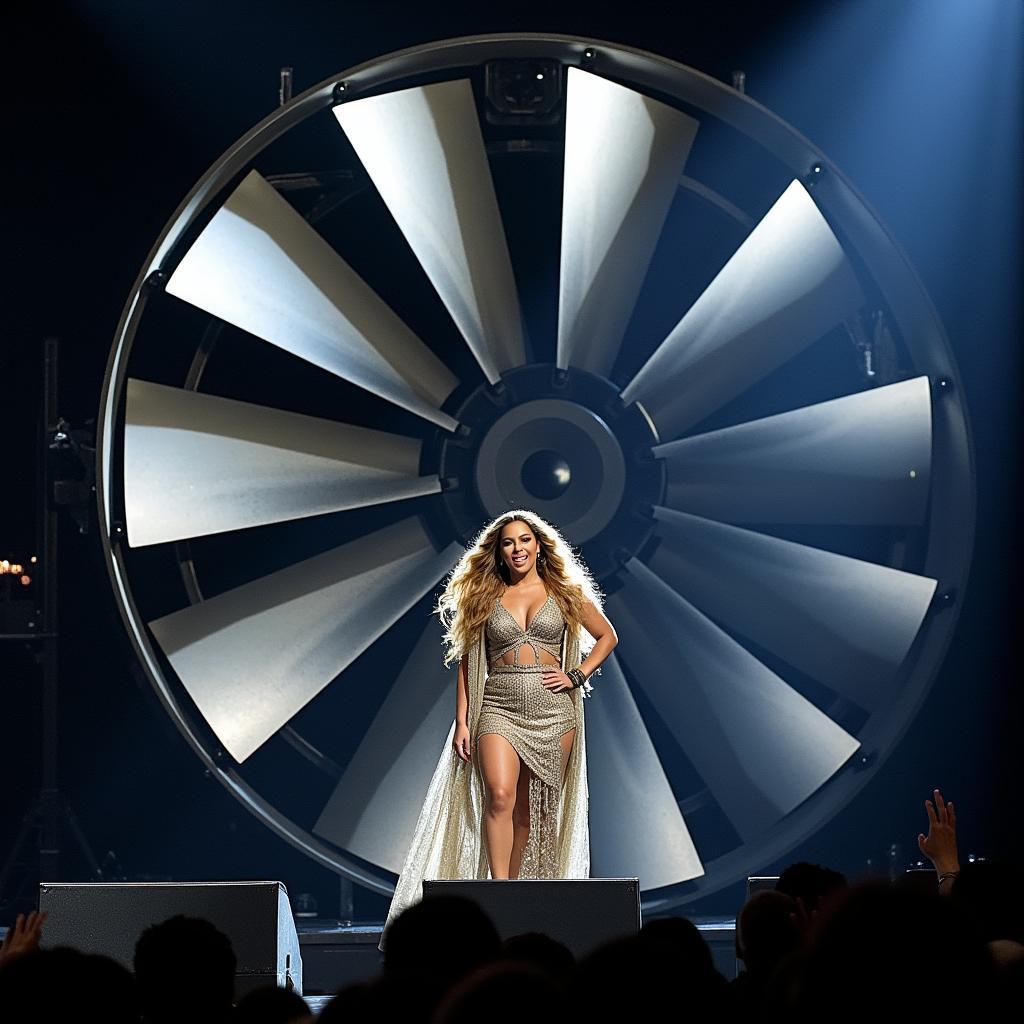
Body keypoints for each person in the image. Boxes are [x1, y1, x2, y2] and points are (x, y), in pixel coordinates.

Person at [379, 509, 617, 948]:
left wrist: (577, 675)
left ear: (539, 544)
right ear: (499, 551)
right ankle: (500, 892)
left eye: (525, 540)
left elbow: (607, 636)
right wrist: (463, 722)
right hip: (499, 703)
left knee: (528, 809)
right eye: (508, 542)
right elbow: (469, 665)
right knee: (500, 796)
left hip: (553, 708)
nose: (517, 548)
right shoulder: (484, 595)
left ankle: (520, 893)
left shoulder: (565, 591)